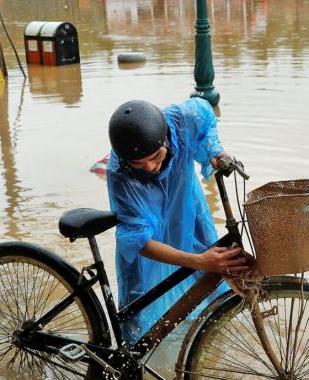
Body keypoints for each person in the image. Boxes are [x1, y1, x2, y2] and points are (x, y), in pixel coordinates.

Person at [106, 98, 249, 344]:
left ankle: (207, 339)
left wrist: (216, 152)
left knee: (209, 278)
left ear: (165, 139)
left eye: (156, 156)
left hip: (185, 209)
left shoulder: (183, 120)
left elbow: (206, 117)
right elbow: (138, 241)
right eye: (139, 164)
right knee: (141, 304)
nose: (151, 167)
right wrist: (200, 261)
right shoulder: (120, 175)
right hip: (147, 227)